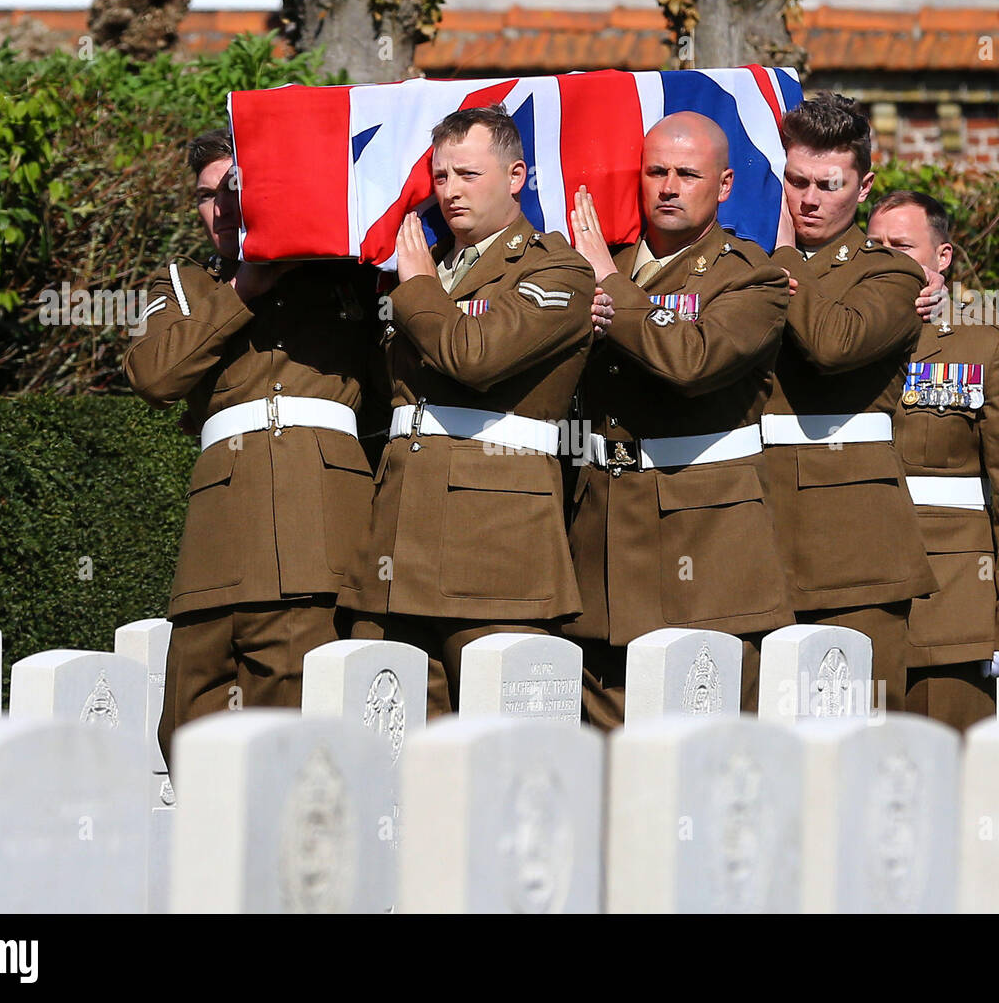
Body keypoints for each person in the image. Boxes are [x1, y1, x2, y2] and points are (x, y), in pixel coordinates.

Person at [125, 128, 380, 768]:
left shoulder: (345, 275)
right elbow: (155, 375)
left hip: (317, 524)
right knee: (189, 721)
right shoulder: (185, 285)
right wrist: (243, 289)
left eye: (233, 190)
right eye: (205, 197)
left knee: (293, 720)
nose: (220, 208)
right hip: (218, 536)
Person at [339, 105, 595, 715]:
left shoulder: (556, 268)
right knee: (392, 739)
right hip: (402, 530)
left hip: (496, 540)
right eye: (442, 176)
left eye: (468, 174)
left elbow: (475, 357)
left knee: (501, 743)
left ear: (515, 176)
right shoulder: (425, 269)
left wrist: (419, 289)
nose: (450, 191)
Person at [565, 111, 794, 727]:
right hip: (603, 538)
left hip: (706, 545)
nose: (667, 186)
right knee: (607, 756)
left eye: (687, 174)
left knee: (707, 753)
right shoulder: (594, 263)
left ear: (722, 186)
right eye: (655, 171)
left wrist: (611, 282)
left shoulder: (751, 276)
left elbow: (691, 361)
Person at [761, 92, 941, 714]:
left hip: (854, 542)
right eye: (795, 180)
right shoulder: (742, 261)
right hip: (754, 532)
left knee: (863, 737)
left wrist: (784, 260)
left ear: (863, 189)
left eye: (827, 185)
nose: (807, 199)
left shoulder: (891, 274)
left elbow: (832, 344)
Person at [868, 190, 999, 730]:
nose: (885, 257)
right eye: (873, 245)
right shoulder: (844, 339)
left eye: (901, 245)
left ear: (941, 257)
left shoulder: (986, 348)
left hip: (948, 614)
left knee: (949, 789)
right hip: (855, 604)